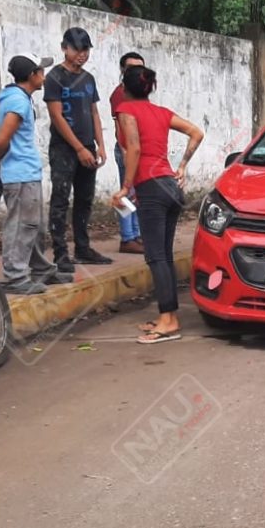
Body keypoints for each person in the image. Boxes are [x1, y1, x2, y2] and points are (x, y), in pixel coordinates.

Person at [111, 65, 204, 344]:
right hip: (171, 187)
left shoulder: (126, 110)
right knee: (163, 254)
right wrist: (183, 166)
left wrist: (126, 186)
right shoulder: (162, 112)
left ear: (124, 88)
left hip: (151, 189)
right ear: (150, 88)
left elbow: (135, 148)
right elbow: (196, 132)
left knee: (155, 256)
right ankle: (168, 314)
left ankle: (168, 320)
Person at [0, 54, 74, 295]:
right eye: (41, 72)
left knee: (34, 225)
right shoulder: (18, 101)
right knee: (22, 225)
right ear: (31, 76)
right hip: (20, 174)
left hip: (25, 172)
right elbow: (1, 140)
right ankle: (15, 276)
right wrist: (2, 160)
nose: (44, 76)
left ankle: (40, 269)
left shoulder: (19, 98)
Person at [45, 27, 112, 273]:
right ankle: (60, 253)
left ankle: (83, 248)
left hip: (88, 148)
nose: (82, 54)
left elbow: (94, 112)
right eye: (76, 49)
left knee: (85, 199)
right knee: (60, 199)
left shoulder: (89, 79)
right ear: (65, 48)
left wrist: (100, 146)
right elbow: (56, 116)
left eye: (86, 49)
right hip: (64, 149)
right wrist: (78, 148)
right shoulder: (54, 77)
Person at [110, 51, 145, 254]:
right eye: (132, 68)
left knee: (135, 193)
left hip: (136, 148)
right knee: (126, 193)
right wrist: (124, 150)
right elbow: (119, 127)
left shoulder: (136, 93)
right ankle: (127, 237)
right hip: (126, 148)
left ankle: (135, 234)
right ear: (123, 70)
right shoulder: (119, 94)